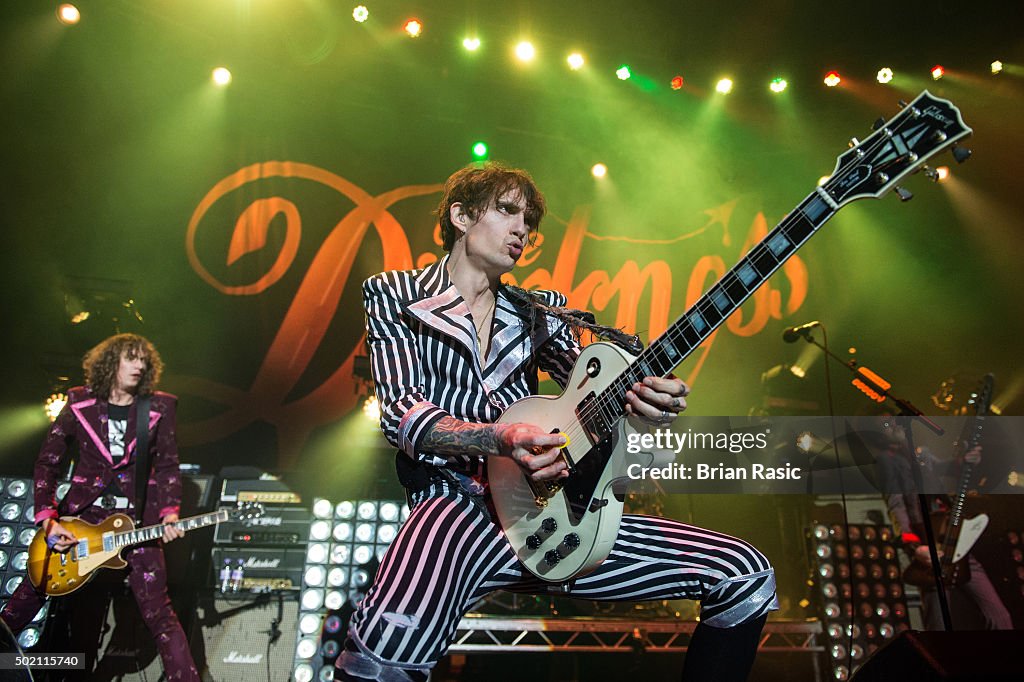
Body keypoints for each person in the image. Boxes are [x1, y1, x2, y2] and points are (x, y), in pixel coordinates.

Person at [337, 162, 778, 681]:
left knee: (745, 577)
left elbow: (588, 396)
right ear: (460, 215)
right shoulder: (395, 295)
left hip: (551, 517)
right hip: (453, 509)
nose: (523, 229)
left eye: (530, 219)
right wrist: (499, 437)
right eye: (507, 210)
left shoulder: (539, 311)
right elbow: (403, 416)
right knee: (377, 662)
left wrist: (640, 399)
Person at [0, 333, 200, 681]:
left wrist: (170, 512)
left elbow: (168, 464)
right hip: (82, 517)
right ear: (111, 363)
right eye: (131, 358)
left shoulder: (159, 407)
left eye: (144, 360)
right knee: (34, 589)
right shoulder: (79, 402)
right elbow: (48, 463)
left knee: (158, 611)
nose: (139, 365)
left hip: (138, 522)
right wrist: (48, 519)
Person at [876, 414, 1012, 631]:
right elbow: (896, 504)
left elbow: (946, 468)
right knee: (938, 626)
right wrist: (914, 545)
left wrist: (965, 462)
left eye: (893, 420)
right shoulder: (887, 460)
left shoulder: (919, 454)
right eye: (885, 424)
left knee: (1000, 617)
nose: (893, 425)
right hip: (931, 543)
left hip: (953, 534)